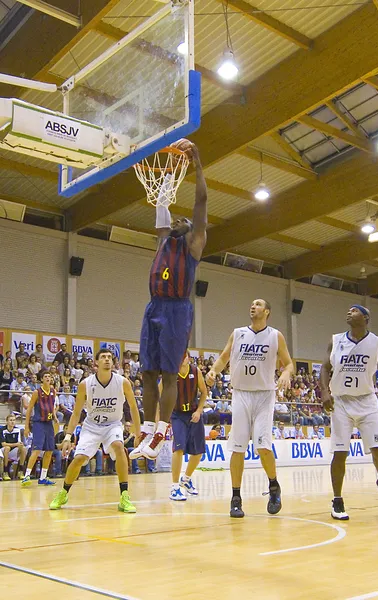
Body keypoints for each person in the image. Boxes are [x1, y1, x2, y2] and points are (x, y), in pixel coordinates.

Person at [133, 142, 208, 461]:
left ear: (190, 231)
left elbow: (201, 201)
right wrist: (165, 165)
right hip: (154, 306)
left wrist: (197, 161)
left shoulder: (193, 245)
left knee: (167, 374)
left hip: (177, 311)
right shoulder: (164, 239)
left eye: (182, 220)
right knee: (147, 373)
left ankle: (162, 430)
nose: (176, 219)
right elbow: (162, 202)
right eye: (174, 219)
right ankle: (148, 430)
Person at [206, 298, 294, 518]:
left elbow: (289, 363)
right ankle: (236, 497)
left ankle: (274, 487)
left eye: (257, 304)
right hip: (240, 394)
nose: (252, 306)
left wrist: (285, 372)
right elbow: (224, 357)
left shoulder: (275, 336)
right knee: (238, 448)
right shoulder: (237, 333)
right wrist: (214, 371)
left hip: (264, 395)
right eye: (251, 304)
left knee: (263, 447)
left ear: (267, 311)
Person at [320, 304, 378, 521]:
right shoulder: (336, 339)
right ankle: (337, 500)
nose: (349, 312)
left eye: (355, 310)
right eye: (348, 310)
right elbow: (324, 368)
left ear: (366, 318)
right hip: (341, 401)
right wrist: (324, 391)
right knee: (340, 453)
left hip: (367, 401)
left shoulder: (377, 343)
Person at [49, 349, 141, 512]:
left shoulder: (122, 382)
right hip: (91, 426)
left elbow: (133, 407)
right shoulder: (86, 384)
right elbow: (76, 412)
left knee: (119, 447)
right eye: (103, 357)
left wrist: (139, 432)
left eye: (109, 358)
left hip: (113, 424)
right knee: (78, 459)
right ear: (96, 363)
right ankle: (63, 492)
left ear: (113, 363)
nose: (107, 360)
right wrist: (68, 436)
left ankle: (124, 496)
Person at [169, 353, 207, 501]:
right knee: (178, 448)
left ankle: (186, 479)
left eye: (184, 355)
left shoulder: (195, 371)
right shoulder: (171, 373)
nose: (182, 357)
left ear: (188, 358)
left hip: (193, 413)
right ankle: (174, 487)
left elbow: (204, 392)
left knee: (198, 452)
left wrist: (199, 410)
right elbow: (160, 393)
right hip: (177, 414)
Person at [22, 372, 59, 486]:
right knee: (37, 450)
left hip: (49, 423)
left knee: (49, 450)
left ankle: (43, 477)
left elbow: (51, 406)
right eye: (46, 377)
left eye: (49, 376)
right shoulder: (36, 393)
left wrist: (55, 416)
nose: (48, 378)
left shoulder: (53, 391)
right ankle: (26, 476)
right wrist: (26, 426)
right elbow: (29, 410)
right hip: (38, 423)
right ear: (41, 380)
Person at [0, 414, 27, 480]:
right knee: (7, 448)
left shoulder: (18, 430)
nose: (12, 422)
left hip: (13, 451)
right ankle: (5, 472)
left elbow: (19, 443)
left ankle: (20, 471)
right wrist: (15, 444)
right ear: (7, 421)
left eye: (14, 420)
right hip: (3, 451)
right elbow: (3, 444)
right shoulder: (2, 430)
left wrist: (18, 445)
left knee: (23, 448)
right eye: (11, 420)